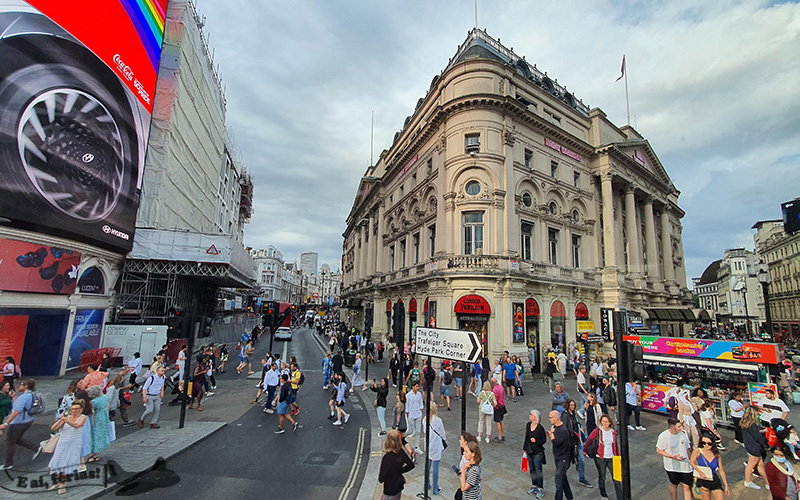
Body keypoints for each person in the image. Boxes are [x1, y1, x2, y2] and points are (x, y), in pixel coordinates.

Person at [0, 379, 43, 470]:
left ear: (26, 386)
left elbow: (16, 412)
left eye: (22, 384)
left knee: (10, 442)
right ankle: (36, 448)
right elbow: (21, 406)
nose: (20, 385)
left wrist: (6, 423)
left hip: (18, 422)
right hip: (28, 420)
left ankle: (8, 464)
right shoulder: (31, 395)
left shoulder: (24, 397)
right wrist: (15, 397)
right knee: (17, 439)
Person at [48, 399, 87, 494]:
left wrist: (67, 421)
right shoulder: (67, 417)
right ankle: (59, 482)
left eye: (76, 409)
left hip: (73, 444)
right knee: (57, 462)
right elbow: (53, 428)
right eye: (72, 409)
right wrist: (61, 420)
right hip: (62, 443)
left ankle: (62, 484)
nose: (74, 411)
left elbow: (77, 425)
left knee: (66, 463)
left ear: (81, 409)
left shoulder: (83, 417)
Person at [585, 414, 622, 500]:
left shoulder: (612, 432)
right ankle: (603, 494)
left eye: (607, 421)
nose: (605, 423)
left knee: (617, 478)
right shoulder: (597, 431)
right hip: (600, 458)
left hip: (611, 457)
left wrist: (618, 456)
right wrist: (584, 450)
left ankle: (620, 497)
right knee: (602, 476)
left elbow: (615, 445)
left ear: (610, 423)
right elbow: (588, 441)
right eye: (603, 421)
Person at [656, 418, 693, 500]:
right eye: (679, 426)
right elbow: (659, 450)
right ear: (672, 427)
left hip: (685, 464)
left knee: (686, 486)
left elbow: (687, 448)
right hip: (671, 465)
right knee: (674, 483)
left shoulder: (683, 434)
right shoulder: (664, 436)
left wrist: (690, 461)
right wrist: (671, 456)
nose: (681, 428)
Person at [563, 398, 592, 489]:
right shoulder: (565, 415)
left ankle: (582, 478)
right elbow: (566, 429)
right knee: (567, 462)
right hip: (571, 442)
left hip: (578, 440)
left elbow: (576, 423)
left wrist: (580, 427)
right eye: (571, 405)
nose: (573, 407)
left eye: (574, 405)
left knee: (581, 459)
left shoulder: (573, 414)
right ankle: (562, 477)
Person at [690, 434, 730, 500]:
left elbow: (721, 470)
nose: (706, 445)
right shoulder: (698, 451)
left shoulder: (717, 455)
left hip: (714, 479)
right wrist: (700, 472)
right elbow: (691, 462)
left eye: (709, 443)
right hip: (703, 480)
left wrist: (726, 485)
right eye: (704, 443)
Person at [378, 429, 415, 500]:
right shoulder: (401, 452)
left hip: (389, 488)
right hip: (398, 486)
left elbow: (381, 478)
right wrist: (399, 471)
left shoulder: (387, 458)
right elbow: (411, 465)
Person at [547, 410, 573, 500]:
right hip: (558, 457)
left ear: (556, 418)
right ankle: (570, 497)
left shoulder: (562, 430)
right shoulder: (556, 428)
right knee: (563, 478)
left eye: (550, 418)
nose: (549, 419)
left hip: (563, 458)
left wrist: (552, 435)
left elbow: (556, 442)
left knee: (558, 480)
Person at [742, 405, 769, 490]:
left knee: (760, 465)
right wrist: (765, 445)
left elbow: (753, 433)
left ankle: (767, 483)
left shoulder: (745, 422)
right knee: (751, 465)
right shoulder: (753, 424)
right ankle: (748, 481)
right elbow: (757, 437)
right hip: (755, 447)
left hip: (749, 445)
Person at [523, 409, 547, 498]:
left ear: (535, 417)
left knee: (538, 470)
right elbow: (526, 437)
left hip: (537, 452)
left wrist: (536, 441)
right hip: (529, 451)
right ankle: (534, 485)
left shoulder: (540, 428)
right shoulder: (528, 425)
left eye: (531, 414)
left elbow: (544, 440)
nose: (530, 415)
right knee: (532, 469)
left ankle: (540, 488)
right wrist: (524, 448)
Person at [426, 401, 447, 495]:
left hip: (428, 444)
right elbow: (443, 434)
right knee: (435, 466)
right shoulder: (438, 420)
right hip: (436, 445)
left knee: (428, 465)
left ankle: (426, 484)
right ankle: (435, 488)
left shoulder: (424, 420)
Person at [87, 385, 110, 461]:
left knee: (94, 435)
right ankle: (96, 453)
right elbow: (108, 407)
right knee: (100, 434)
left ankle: (93, 453)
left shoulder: (94, 401)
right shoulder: (105, 398)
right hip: (104, 416)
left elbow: (90, 410)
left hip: (97, 418)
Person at [406, 382, 424, 453]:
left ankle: (417, 446)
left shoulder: (419, 394)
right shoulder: (408, 395)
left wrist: (420, 410)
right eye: (416, 386)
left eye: (418, 386)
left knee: (418, 431)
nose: (417, 388)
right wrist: (407, 414)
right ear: (412, 387)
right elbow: (407, 405)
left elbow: (421, 403)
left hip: (418, 414)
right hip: (411, 414)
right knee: (410, 430)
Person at [491, 377, 506, 442]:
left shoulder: (494, 390)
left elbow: (495, 401)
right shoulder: (501, 387)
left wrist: (493, 407)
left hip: (498, 407)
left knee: (497, 422)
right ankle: (502, 434)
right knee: (501, 420)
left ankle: (499, 437)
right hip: (502, 405)